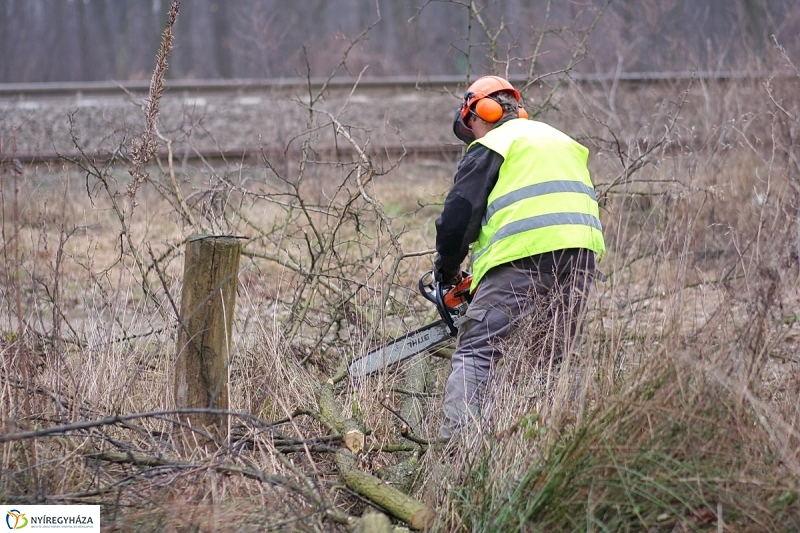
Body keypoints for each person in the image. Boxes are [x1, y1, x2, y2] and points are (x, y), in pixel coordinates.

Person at [434, 75, 606, 439]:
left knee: (478, 353)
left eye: (472, 126)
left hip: (522, 258)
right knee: (554, 357)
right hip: (581, 258)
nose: (474, 134)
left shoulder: (495, 144)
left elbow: (456, 221)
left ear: (481, 112)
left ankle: (458, 446)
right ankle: (559, 440)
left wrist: (447, 269)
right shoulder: (561, 141)